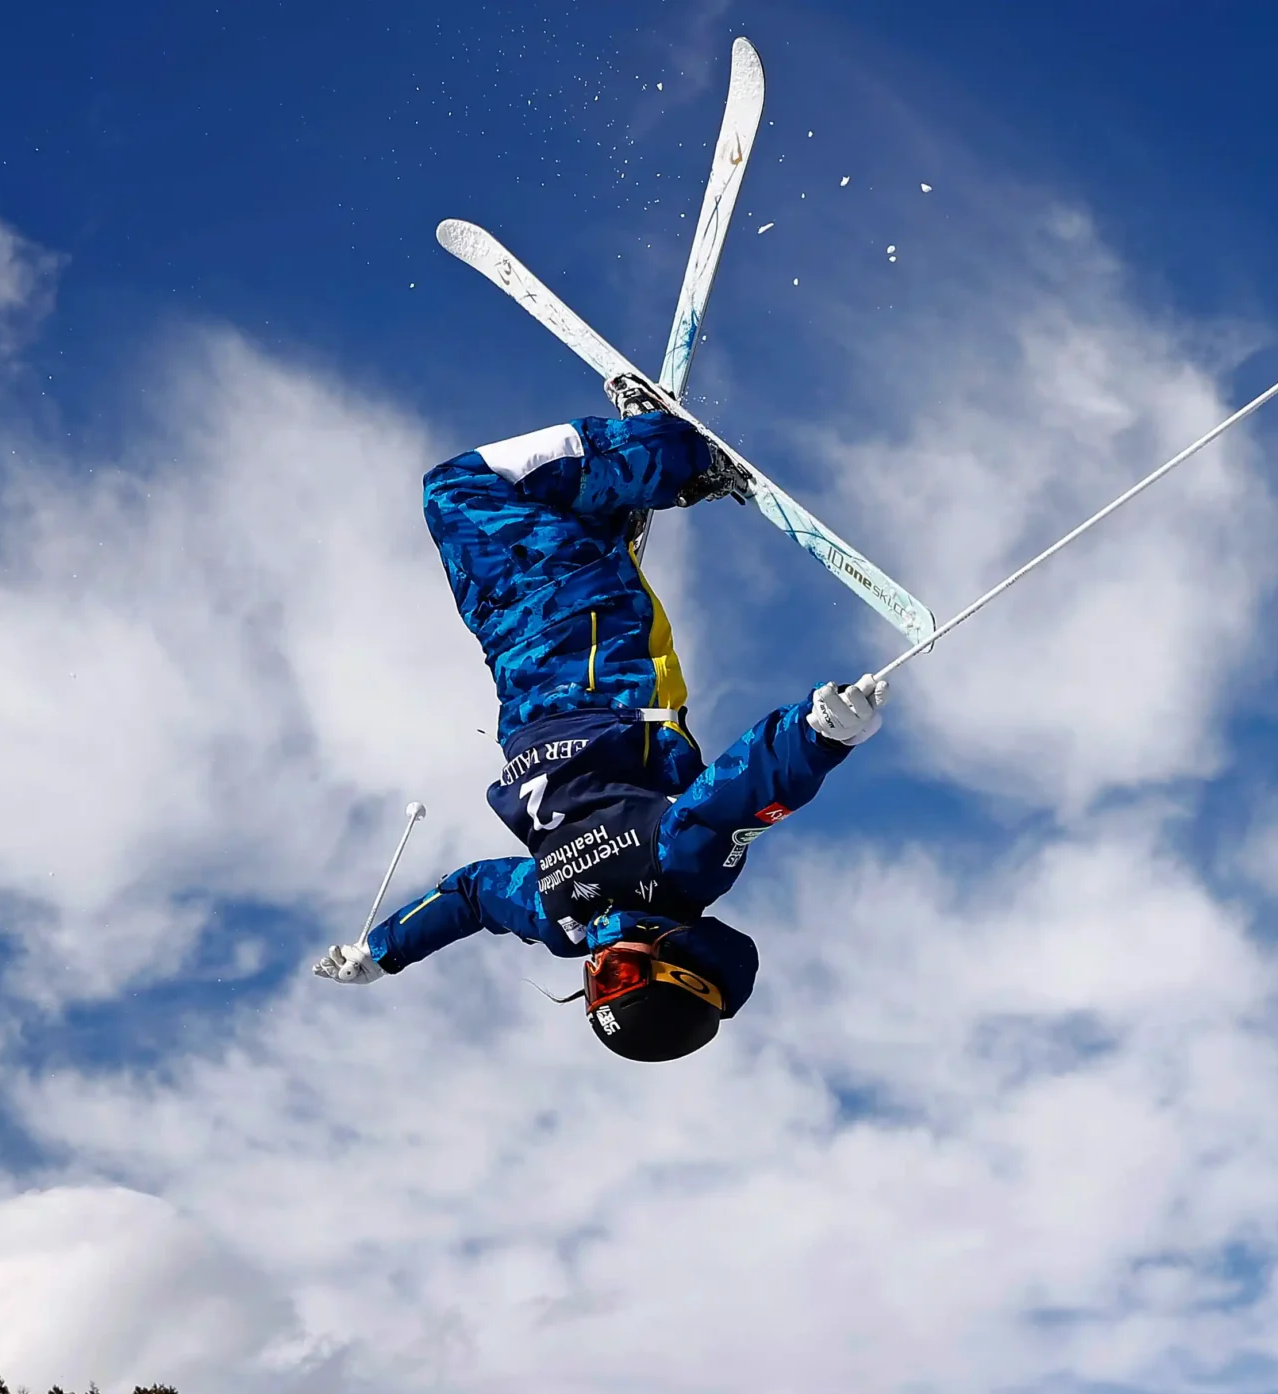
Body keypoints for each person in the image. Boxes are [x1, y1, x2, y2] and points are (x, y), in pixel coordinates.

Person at [313, 394, 889, 1062]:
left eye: (592, 988)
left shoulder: (561, 921)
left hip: (520, 678)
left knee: (520, 533)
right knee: (461, 490)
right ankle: (682, 457)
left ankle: (612, 495)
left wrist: (383, 953)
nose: (594, 966)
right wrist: (821, 736)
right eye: (615, 977)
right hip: (596, 669)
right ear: (677, 964)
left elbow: (472, 895)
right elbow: (737, 795)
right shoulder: (679, 874)